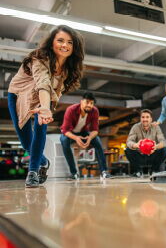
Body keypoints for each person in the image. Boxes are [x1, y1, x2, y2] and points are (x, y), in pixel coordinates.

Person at [8, 25, 84, 187]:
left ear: (74, 47)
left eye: (70, 42)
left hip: (44, 97)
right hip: (19, 94)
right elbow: (42, 82)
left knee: (41, 127)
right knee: (25, 141)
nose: (65, 45)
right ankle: (43, 161)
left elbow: (54, 89)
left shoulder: (68, 69)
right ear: (52, 43)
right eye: (60, 40)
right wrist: (45, 107)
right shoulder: (39, 57)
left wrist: (45, 107)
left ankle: (33, 171)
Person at [60, 92, 110, 180]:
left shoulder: (94, 111)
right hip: (70, 133)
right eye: (87, 102)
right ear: (81, 101)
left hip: (83, 132)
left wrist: (90, 138)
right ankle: (74, 173)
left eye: (91, 103)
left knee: (97, 140)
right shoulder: (71, 109)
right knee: (64, 141)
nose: (89, 105)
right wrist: (76, 138)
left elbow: (95, 130)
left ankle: (104, 172)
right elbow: (65, 130)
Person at [126, 109, 166, 177]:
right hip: (140, 156)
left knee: (164, 150)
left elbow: (163, 142)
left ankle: (154, 170)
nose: (145, 119)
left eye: (147, 117)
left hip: (152, 155)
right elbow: (128, 142)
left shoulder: (156, 127)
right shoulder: (135, 127)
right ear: (140, 119)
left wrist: (155, 147)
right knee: (128, 150)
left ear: (151, 119)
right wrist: (135, 145)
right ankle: (138, 171)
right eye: (143, 117)